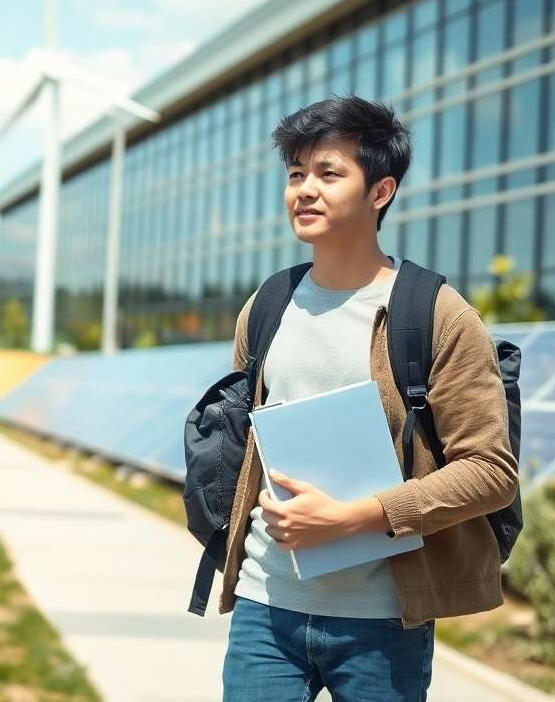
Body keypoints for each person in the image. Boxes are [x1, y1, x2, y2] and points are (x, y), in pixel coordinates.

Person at [219, 95, 518, 701]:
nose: (305, 190)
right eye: (296, 174)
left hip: (383, 623)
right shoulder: (267, 306)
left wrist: (351, 519)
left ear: (381, 191)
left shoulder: (436, 313)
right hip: (264, 608)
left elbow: (491, 473)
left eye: (329, 173)